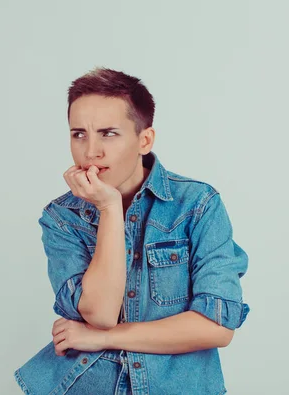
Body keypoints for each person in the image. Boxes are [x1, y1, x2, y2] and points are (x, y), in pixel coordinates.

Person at [13, 67, 249, 395]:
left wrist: (104, 339)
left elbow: (217, 327)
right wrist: (109, 209)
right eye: (78, 133)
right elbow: (101, 313)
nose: (90, 151)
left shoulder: (197, 204)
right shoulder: (61, 217)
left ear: (144, 139)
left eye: (108, 133)